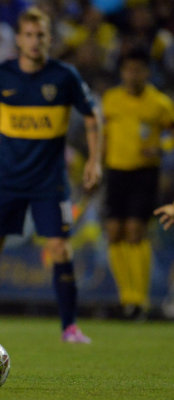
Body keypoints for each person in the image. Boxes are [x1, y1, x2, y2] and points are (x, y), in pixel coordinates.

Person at [0, 7, 102, 344]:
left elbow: (92, 117)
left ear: (49, 39)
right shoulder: (3, 75)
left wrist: (94, 160)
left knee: (60, 250)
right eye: (29, 35)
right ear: (19, 39)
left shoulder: (64, 76)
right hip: (7, 179)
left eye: (41, 36)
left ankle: (70, 327)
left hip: (50, 182)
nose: (35, 41)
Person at [102, 47, 174, 320]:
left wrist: (161, 147)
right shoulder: (111, 100)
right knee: (114, 232)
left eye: (139, 70)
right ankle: (126, 299)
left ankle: (139, 300)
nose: (134, 75)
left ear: (148, 72)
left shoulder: (159, 103)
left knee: (135, 231)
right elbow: (104, 133)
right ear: (122, 72)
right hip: (115, 171)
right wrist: (96, 164)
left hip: (144, 173)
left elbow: (171, 133)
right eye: (129, 69)